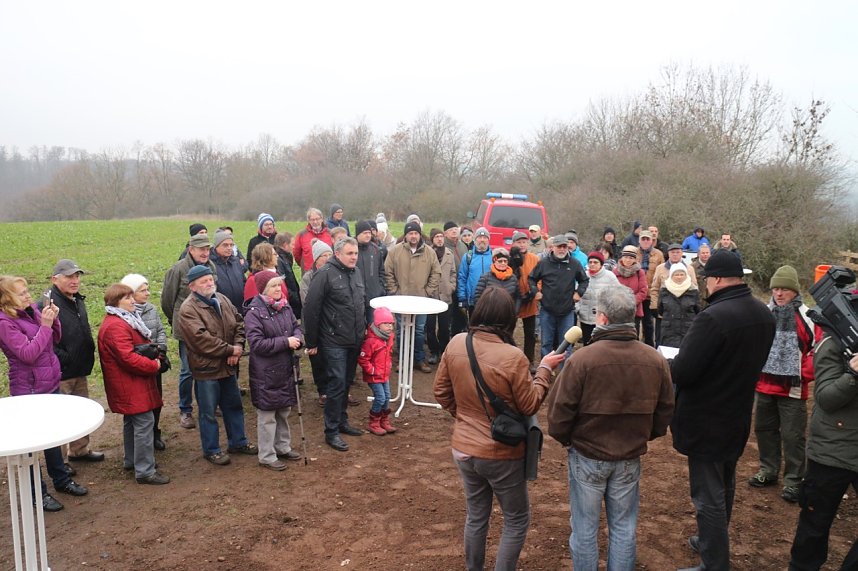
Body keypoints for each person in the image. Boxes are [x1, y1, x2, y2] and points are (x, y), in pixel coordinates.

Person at [434, 287, 565, 571]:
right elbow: (529, 404)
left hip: (464, 448)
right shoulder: (513, 356)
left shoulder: (456, 343)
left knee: (476, 515)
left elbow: (441, 393)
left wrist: (467, 418)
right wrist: (544, 370)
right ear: (509, 318)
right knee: (516, 519)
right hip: (501, 454)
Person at [546, 285, 674, 571]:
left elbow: (558, 414)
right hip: (627, 456)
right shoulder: (655, 360)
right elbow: (665, 409)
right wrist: (642, 436)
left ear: (601, 318)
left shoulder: (582, 360)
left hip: (588, 455)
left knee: (584, 529)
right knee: (623, 528)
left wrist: (571, 441)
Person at [671, 249, 775, 571]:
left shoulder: (713, 317)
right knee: (725, 483)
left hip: (706, 419)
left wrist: (670, 362)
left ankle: (713, 563)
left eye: (706, 280)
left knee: (707, 496)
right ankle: (708, 541)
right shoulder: (763, 313)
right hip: (738, 412)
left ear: (715, 279)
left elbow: (684, 372)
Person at [0, 276, 87, 511]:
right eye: (21, 293)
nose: (29, 295)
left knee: (53, 436)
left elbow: (53, 339)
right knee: (30, 446)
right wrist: (46, 326)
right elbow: (28, 353)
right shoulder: (4, 322)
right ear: (7, 299)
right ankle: (37, 494)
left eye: (27, 290)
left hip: (49, 383)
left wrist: (53, 320)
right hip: (28, 391)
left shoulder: (30, 311)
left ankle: (62, 480)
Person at [788, 318, 858, 570]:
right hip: (832, 451)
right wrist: (852, 374)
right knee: (814, 527)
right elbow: (826, 398)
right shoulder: (836, 339)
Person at [177, 265, 257, 465]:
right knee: (208, 412)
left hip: (228, 365)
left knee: (234, 406)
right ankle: (211, 449)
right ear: (193, 287)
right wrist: (230, 350)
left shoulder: (222, 299)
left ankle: (238, 442)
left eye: (210, 279)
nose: (209, 283)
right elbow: (200, 340)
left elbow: (239, 323)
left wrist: (238, 345)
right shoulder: (188, 309)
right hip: (207, 370)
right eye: (204, 281)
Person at [749, 265, 816, 503]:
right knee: (764, 430)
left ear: (794, 291)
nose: (779, 294)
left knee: (793, 436)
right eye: (776, 289)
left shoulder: (807, 317)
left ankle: (793, 481)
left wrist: (800, 373)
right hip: (763, 384)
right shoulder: (764, 312)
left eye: (784, 289)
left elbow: (816, 351)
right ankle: (768, 471)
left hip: (792, 387)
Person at [97, 284, 170, 485]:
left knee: (132, 422)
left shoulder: (122, 320)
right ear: (115, 303)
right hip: (129, 384)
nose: (132, 301)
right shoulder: (116, 326)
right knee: (144, 423)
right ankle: (145, 470)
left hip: (129, 383)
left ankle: (132, 461)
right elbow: (127, 358)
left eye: (131, 297)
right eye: (127, 298)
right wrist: (153, 364)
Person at [303, 237, 367, 452]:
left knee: (347, 381)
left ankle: (342, 421)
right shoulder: (325, 275)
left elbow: (360, 303)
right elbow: (311, 309)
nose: (354, 257)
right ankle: (331, 431)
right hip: (333, 340)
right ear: (337, 254)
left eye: (356, 253)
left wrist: (364, 329)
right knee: (336, 383)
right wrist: (311, 341)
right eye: (350, 253)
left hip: (354, 338)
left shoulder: (356, 273)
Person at [45, 259, 104, 465]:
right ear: (55, 279)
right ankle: (60, 463)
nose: (75, 280)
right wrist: (64, 359)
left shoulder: (77, 299)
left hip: (80, 367)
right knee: (61, 419)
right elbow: (45, 338)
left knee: (80, 413)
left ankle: (79, 450)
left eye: (77, 276)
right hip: (61, 371)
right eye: (69, 276)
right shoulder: (48, 303)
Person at [243, 271, 304, 471]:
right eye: (273, 286)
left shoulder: (284, 306)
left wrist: (298, 337)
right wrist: (286, 342)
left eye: (279, 285)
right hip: (266, 372)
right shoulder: (254, 313)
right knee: (268, 415)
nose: (278, 289)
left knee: (284, 410)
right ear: (263, 290)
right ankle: (267, 455)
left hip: (285, 368)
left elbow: (296, 327)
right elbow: (257, 344)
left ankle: (283, 447)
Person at [162, 231, 217, 429]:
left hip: (208, 327)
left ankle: (209, 405)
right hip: (186, 328)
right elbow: (167, 299)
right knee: (187, 370)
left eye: (207, 249)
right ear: (191, 250)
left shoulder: (211, 267)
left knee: (208, 366)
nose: (205, 252)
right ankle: (185, 409)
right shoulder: (178, 269)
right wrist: (175, 320)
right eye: (201, 249)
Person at [384, 220, 441, 373]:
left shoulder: (429, 252)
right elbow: (387, 272)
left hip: (421, 301)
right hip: (400, 300)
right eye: (410, 233)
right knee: (401, 330)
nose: (413, 236)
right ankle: (402, 361)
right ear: (406, 235)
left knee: (419, 330)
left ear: (419, 234)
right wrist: (395, 291)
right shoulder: (395, 251)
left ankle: (419, 359)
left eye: (416, 233)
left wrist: (428, 291)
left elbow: (436, 272)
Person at [121, 273, 168, 451]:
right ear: (131, 293)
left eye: (147, 289)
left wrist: (160, 350)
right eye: (143, 290)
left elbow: (161, 331)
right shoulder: (125, 316)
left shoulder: (151, 309)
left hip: (156, 362)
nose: (148, 293)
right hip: (140, 366)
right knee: (141, 406)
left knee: (157, 400)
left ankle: (155, 433)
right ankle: (141, 443)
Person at [528, 235, 589, 358]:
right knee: (546, 343)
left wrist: (579, 292)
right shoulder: (544, 263)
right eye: (559, 246)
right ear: (553, 248)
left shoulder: (574, 264)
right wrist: (535, 292)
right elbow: (531, 278)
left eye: (564, 246)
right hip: (547, 310)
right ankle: (546, 370)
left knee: (566, 343)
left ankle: (564, 372)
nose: (562, 249)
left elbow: (584, 280)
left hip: (567, 311)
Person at [300, 239, 333, 407]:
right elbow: (308, 303)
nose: (327, 258)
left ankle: (337, 390)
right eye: (323, 255)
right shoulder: (308, 277)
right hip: (314, 324)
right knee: (318, 360)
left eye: (329, 254)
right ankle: (323, 391)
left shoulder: (335, 272)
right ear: (316, 259)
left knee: (333, 359)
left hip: (332, 325)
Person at [358, 307, 397, 436]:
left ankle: (384, 420)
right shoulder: (371, 341)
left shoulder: (389, 337)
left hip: (384, 374)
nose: (390, 326)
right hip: (374, 376)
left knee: (387, 398)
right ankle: (373, 422)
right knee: (380, 398)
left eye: (391, 323)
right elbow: (363, 359)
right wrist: (372, 370)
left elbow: (388, 354)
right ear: (378, 324)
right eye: (386, 323)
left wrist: (388, 365)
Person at [649, 243, 696, 346]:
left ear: (682, 253)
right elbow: (655, 288)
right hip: (665, 311)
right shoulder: (660, 268)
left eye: (678, 252)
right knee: (661, 339)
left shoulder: (689, 269)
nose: (675, 254)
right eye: (672, 252)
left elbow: (694, 289)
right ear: (668, 254)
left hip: (685, 313)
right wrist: (654, 306)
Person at [426, 228, 456, 364]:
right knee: (430, 327)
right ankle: (433, 351)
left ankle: (444, 351)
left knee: (444, 327)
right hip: (431, 297)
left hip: (445, 296)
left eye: (441, 236)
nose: (439, 239)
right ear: (432, 239)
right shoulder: (427, 254)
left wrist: (451, 287)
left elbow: (453, 273)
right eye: (436, 237)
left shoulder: (450, 254)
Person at [576, 251, 620, 344]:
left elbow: (617, 294)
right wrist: (578, 309)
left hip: (603, 318)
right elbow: (577, 293)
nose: (592, 264)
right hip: (585, 316)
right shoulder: (583, 275)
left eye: (595, 262)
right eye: (590, 262)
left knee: (601, 344)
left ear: (601, 264)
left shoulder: (610, 276)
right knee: (587, 344)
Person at [510, 231, 540, 366]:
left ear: (527, 243)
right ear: (514, 243)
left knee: (530, 333)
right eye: (519, 242)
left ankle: (530, 360)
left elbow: (541, 277)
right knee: (508, 330)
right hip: (513, 300)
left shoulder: (534, 258)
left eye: (524, 242)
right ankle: (509, 357)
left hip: (530, 299)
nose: (522, 245)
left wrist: (534, 291)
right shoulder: (509, 258)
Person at [657, 264, 699, 347]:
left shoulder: (693, 291)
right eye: (676, 274)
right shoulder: (664, 291)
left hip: (687, 331)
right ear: (671, 276)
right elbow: (660, 310)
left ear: (686, 275)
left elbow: (698, 310)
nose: (679, 277)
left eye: (682, 274)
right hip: (668, 332)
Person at [635, 230, 664, 346]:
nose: (646, 241)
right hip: (636, 293)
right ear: (639, 240)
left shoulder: (659, 254)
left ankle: (649, 346)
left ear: (652, 240)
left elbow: (662, 274)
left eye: (648, 239)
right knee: (634, 323)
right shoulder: (634, 252)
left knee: (648, 323)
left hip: (650, 293)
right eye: (643, 239)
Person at [355, 219, 386, 325]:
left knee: (373, 327)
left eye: (369, 232)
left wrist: (380, 288)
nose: (368, 235)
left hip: (373, 297)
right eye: (365, 233)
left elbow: (381, 271)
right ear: (358, 234)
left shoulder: (375, 249)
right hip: (356, 298)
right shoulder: (351, 249)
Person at [614, 245, 649, 338]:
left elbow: (643, 291)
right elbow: (611, 290)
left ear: (635, 260)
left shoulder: (639, 272)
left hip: (634, 311)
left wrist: (631, 302)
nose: (628, 260)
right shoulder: (614, 272)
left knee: (632, 337)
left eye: (631, 258)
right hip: (617, 310)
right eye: (625, 257)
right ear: (622, 258)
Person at [458, 227, 493, 315]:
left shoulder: (494, 256)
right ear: (475, 239)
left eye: (485, 237)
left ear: (488, 240)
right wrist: (462, 297)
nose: (482, 240)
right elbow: (462, 278)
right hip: (473, 301)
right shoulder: (468, 257)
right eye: (479, 237)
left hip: (491, 300)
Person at [211, 230, 246, 311]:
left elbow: (243, 282)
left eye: (231, 245)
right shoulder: (210, 265)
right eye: (225, 245)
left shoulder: (236, 262)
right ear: (216, 246)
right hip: (222, 311)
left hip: (240, 310)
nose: (229, 248)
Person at [294, 207, 334, 273]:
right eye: (312, 220)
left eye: (317, 219)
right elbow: (297, 255)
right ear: (309, 221)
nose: (315, 222)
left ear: (322, 219)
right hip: (309, 273)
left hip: (328, 272)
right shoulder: (301, 235)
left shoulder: (330, 233)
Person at [274, 231, 302, 320]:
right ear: (285, 245)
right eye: (292, 244)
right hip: (289, 300)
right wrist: (296, 298)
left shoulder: (286, 257)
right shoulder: (279, 260)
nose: (294, 247)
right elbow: (283, 283)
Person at [690, 244, 711, 308]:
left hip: (711, 302)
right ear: (698, 254)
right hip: (697, 302)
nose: (705, 254)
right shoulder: (692, 267)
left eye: (707, 253)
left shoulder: (714, 266)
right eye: (703, 253)